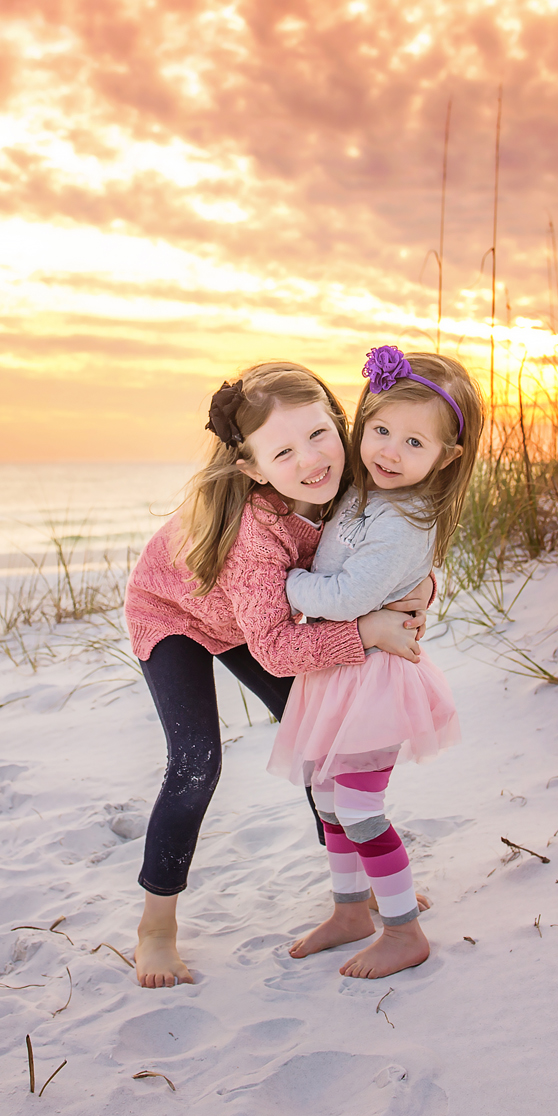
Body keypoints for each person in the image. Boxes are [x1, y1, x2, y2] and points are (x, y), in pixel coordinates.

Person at [123, 361, 429, 989]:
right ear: (254, 468)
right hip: (177, 610)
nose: (312, 460)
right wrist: (365, 631)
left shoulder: (353, 484)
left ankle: (349, 896)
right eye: (284, 452)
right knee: (196, 759)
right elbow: (277, 650)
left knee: (320, 734)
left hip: (259, 614)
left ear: (339, 423)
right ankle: (156, 927)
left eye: (319, 435)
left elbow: (388, 553)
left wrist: (424, 585)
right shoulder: (254, 537)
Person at [272, 347, 483, 979]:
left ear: (444, 458)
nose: (389, 451)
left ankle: (403, 931)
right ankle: (349, 911)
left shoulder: (405, 521)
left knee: (360, 808)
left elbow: (347, 596)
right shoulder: (362, 493)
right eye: (380, 430)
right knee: (330, 801)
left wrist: (286, 584)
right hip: (338, 675)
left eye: (413, 442)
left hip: (375, 681)